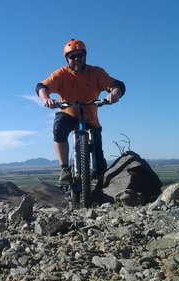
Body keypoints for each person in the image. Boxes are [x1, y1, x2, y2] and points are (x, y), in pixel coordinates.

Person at [36, 39, 125, 184]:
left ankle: (100, 192)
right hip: (68, 112)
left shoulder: (96, 73)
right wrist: (46, 99)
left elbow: (117, 85)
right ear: (67, 59)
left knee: (100, 163)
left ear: (85, 56)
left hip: (90, 117)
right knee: (59, 128)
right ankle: (64, 169)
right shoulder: (61, 74)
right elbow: (41, 86)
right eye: (72, 56)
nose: (76, 59)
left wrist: (114, 94)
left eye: (80, 55)